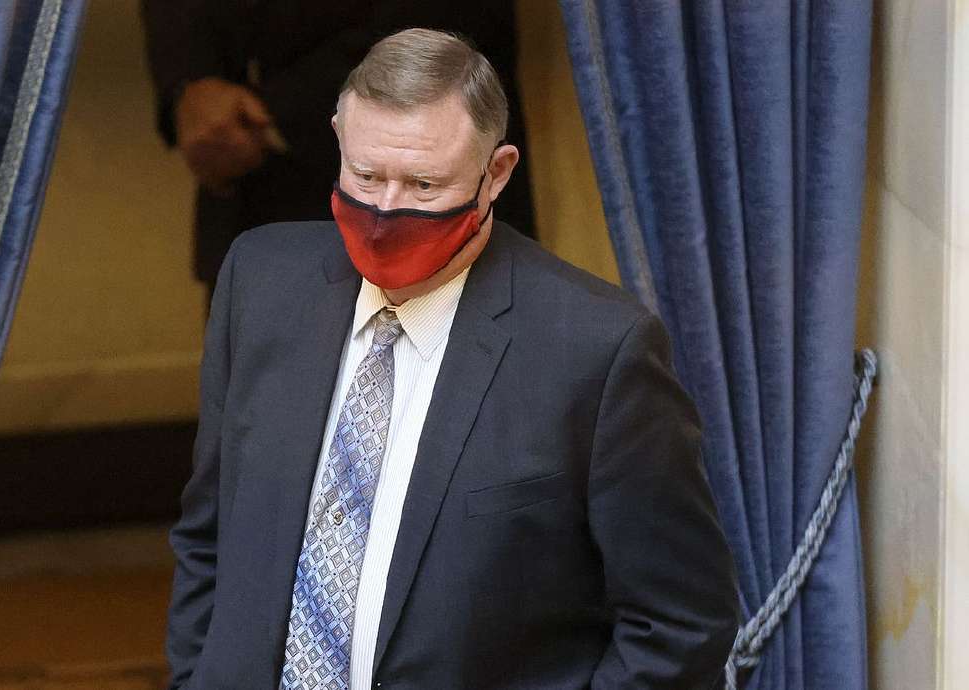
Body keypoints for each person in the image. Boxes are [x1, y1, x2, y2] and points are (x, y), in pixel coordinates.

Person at [166, 28, 740, 690]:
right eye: (366, 174)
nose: (384, 210)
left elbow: (678, 624)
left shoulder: (597, 350)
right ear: (337, 137)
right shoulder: (259, 282)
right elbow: (210, 535)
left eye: (422, 184)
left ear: (495, 173)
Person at [140, 2, 537, 299]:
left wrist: (268, 112)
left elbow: (456, 24)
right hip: (253, 205)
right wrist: (188, 84)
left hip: (442, 217)